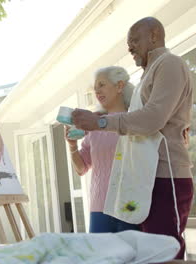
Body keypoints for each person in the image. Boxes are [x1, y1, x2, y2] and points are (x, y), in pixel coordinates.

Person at [71, 17, 193, 259]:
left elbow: (152, 119)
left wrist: (101, 122)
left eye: (135, 40)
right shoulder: (148, 75)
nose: (130, 48)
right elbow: (141, 121)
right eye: (129, 43)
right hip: (148, 178)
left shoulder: (169, 64)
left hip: (167, 176)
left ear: (155, 35)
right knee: (149, 254)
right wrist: (101, 120)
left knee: (164, 252)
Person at [65, 66, 138, 233]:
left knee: (132, 256)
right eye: (95, 87)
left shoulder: (135, 119)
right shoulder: (94, 124)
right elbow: (82, 168)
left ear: (120, 86)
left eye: (102, 84)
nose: (97, 91)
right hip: (99, 207)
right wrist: (72, 145)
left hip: (130, 204)